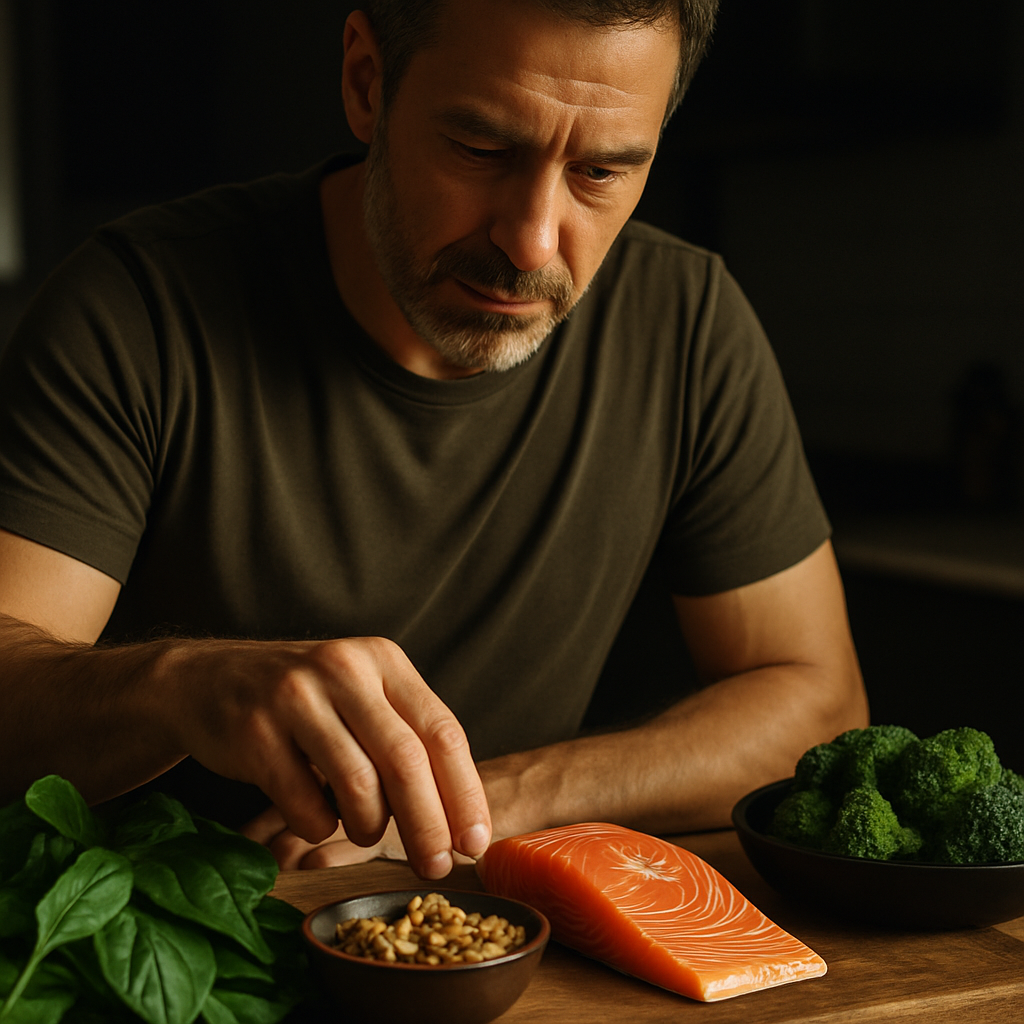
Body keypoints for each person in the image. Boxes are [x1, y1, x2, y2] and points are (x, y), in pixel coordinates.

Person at [0, 0, 868, 879]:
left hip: (503, 948)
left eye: (601, 172)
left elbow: (817, 704)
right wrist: (177, 687)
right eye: (483, 149)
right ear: (367, 83)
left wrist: (482, 803)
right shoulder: (133, 310)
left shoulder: (688, 322)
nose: (530, 241)